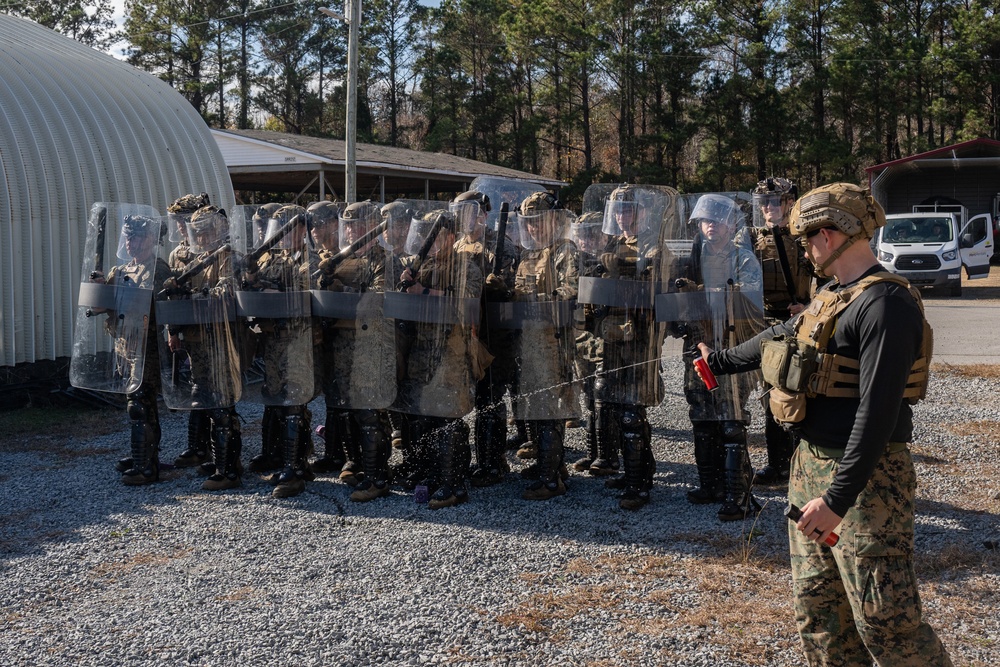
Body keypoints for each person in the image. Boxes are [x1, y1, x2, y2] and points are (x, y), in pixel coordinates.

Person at [697, 183, 952, 666]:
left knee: (888, 624)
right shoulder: (834, 294)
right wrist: (721, 363)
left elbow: (876, 416)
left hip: (868, 484)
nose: (806, 248)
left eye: (808, 238)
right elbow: (780, 336)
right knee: (820, 618)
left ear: (831, 234)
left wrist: (836, 501)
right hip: (809, 467)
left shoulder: (884, 307)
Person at [580, 184, 674, 510]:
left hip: (640, 341)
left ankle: (638, 485)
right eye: (617, 210)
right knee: (617, 409)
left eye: (628, 210)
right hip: (612, 338)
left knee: (633, 412)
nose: (622, 217)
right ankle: (639, 471)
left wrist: (617, 273)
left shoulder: (654, 248)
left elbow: (654, 293)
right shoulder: (614, 245)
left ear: (643, 212)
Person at [673, 194, 763, 521]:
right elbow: (672, 304)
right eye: (705, 221)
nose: (710, 226)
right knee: (702, 418)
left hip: (731, 350)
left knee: (731, 422)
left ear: (730, 224)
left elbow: (751, 308)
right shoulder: (690, 261)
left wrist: (712, 298)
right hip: (696, 349)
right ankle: (709, 484)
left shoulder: (743, 260)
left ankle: (738, 495)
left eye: (717, 220)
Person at [390, 209, 484, 509]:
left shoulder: (465, 266)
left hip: (451, 352)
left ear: (451, 237)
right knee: (422, 417)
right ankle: (429, 473)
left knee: (447, 418)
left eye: (437, 236)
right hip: (422, 352)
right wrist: (405, 285)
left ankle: (453, 482)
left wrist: (424, 291)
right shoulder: (422, 266)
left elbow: (466, 304)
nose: (429, 243)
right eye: (425, 236)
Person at [314, 200, 397, 502]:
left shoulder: (383, 259)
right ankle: (356, 463)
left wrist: (340, 290)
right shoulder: (341, 259)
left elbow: (376, 299)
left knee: (370, 412)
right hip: (341, 344)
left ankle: (377, 476)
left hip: (370, 344)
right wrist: (326, 281)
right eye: (347, 224)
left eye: (357, 224)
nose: (351, 230)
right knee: (347, 409)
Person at [159, 205, 245, 490]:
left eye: (206, 231)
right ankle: (215, 458)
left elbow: (227, 289)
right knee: (205, 398)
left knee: (222, 404)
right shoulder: (192, 257)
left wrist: (193, 293)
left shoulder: (227, 256)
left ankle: (229, 470)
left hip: (220, 339)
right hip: (196, 339)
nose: (201, 236)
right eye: (197, 232)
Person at [506, 192, 580, 500]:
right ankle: (551, 465)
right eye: (530, 223)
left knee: (549, 408)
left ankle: (551, 481)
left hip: (552, 341)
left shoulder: (565, 250)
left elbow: (571, 292)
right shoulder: (529, 254)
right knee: (533, 406)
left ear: (554, 220)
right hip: (528, 341)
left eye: (539, 221)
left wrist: (533, 303)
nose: (534, 228)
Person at [451, 190, 518, 488]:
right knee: (473, 396)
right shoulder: (456, 246)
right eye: (460, 212)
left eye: (471, 211)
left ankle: (493, 463)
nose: (466, 218)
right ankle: (478, 460)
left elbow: (514, 289)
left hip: (495, 333)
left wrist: (501, 286)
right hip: (468, 332)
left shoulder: (500, 244)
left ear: (483, 214)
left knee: (490, 399)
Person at [99, 214, 172, 485]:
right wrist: (97, 286)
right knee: (138, 404)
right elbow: (102, 303)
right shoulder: (121, 270)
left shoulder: (159, 269)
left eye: (137, 236)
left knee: (141, 404)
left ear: (152, 240)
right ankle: (144, 456)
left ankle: (146, 466)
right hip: (125, 346)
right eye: (128, 236)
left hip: (147, 347)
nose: (131, 242)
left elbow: (162, 308)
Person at [750, 178, 814, 484]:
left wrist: (809, 306)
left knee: (798, 392)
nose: (768, 208)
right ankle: (777, 463)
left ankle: (804, 464)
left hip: (798, 324)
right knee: (769, 395)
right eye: (763, 203)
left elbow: (831, 278)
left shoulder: (805, 238)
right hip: (765, 324)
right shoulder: (752, 240)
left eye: (774, 202)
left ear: (789, 203)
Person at [164, 193, 215, 474]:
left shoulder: (213, 248)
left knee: (214, 388)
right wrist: (173, 332)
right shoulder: (179, 253)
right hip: (190, 331)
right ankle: (197, 446)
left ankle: (217, 450)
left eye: (185, 220)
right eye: (178, 222)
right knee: (198, 387)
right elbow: (172, 298)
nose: (182, 227)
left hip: (214, 330)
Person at [568, 212, 608, 474]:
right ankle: (591, 451)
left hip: (605, 335)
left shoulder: (610, 260)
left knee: (604, 394)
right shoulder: (574, 261)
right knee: (587, 394)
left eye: (591, 234)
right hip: (581, 335)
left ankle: (606, 455)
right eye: (581, 235)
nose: (586, 240)